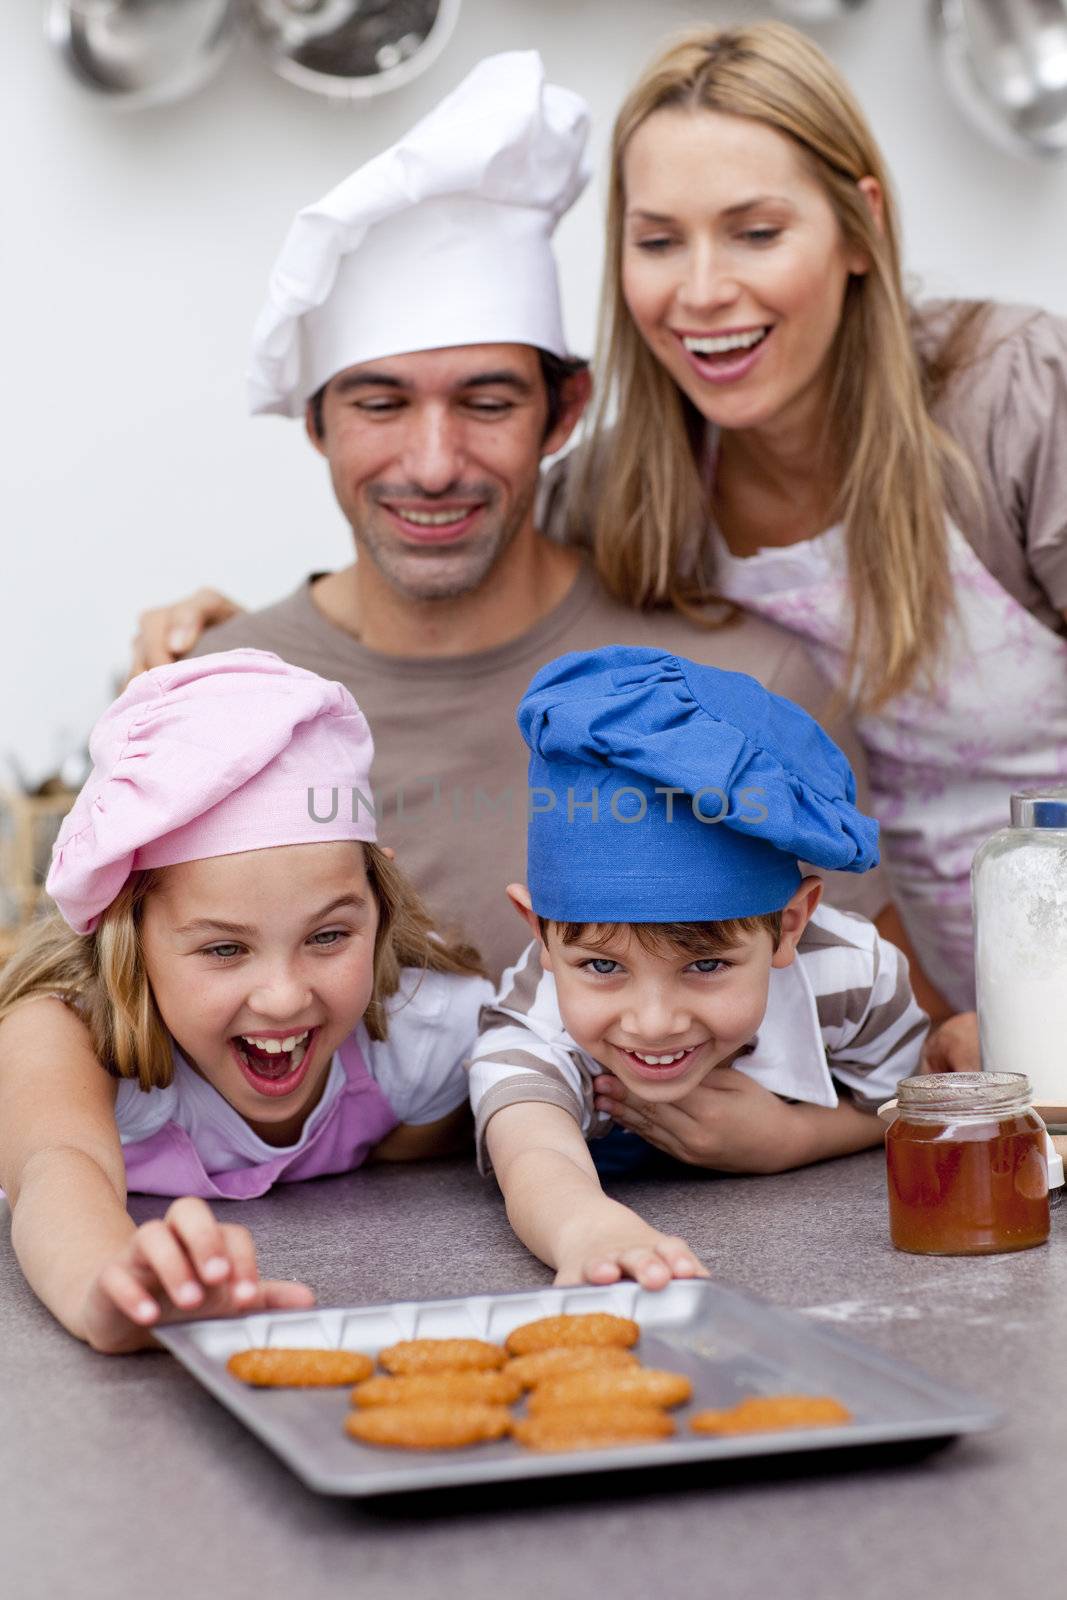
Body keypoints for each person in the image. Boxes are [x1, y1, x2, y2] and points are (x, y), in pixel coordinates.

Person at [123, 51, 916, 997]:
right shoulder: (209, 705)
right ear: (314, 421)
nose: (432, 463)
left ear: (565, 409)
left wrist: (778, 1136)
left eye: (486, 403)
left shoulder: (747, 690)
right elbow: (78, 1012)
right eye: (379, 404)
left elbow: (878, 1038)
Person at [560, 20, 1067, 1024]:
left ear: (857, 228)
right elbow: (449, 613)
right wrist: (234, 624)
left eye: (754, 231)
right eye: (657, 240)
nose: (701, 291)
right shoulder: (612, 494)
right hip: (866, 1067)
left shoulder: (1012, 397)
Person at [0, 650, 491, 1353]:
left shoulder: (425, 1030)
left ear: (379, 901)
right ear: (127, 932)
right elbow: (57, 1167)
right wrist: (108, 1286)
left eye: (327, 935)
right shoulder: (66, 1033)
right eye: (224, 949)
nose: (285, 996)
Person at [468, 646, 927, 1288]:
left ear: (789, 926)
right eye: (602, 966)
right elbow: (532, 1151)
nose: (653, 1023)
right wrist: (589, 1229)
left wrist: (792, 1139)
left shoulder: (855, 979)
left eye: (705, 964)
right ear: (540, 933)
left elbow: (906, 1100)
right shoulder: (533, 1017)